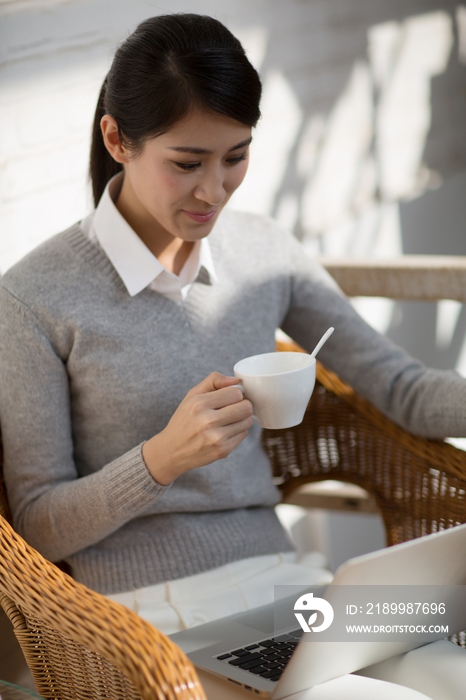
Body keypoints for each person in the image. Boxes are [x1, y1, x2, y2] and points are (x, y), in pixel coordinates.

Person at [0, 13, 465, 700]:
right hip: (155, 613)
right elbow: (36, 521)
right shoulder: (32, 299)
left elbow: (401, 387)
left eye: (236, 157)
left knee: (455, 673)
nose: (213, 191)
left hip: (290, 588)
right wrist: (163, 459)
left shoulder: (263, 252)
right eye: (187, 163)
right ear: (117, 139)